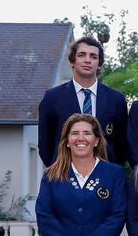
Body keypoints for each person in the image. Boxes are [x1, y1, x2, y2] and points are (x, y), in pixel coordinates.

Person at [36, 113, 126, 236]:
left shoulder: (115, 174)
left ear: (96, 140)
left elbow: (117, 216)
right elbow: (44, 216)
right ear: (67, 141)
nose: (81, 138)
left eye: (87, 133)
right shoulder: (51, 175)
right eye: (74, 133)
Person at [38, 36, 128, 167]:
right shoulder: (52, 98)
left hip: (106, 177)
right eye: (81, 55)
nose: (87, 60)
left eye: (93, 56)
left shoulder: (116, 99)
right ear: (72, 61)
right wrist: (60, 169)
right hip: (65, 176)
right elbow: (45, 145)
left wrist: (111, 170)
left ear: (100, 64)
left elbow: (122, 145)